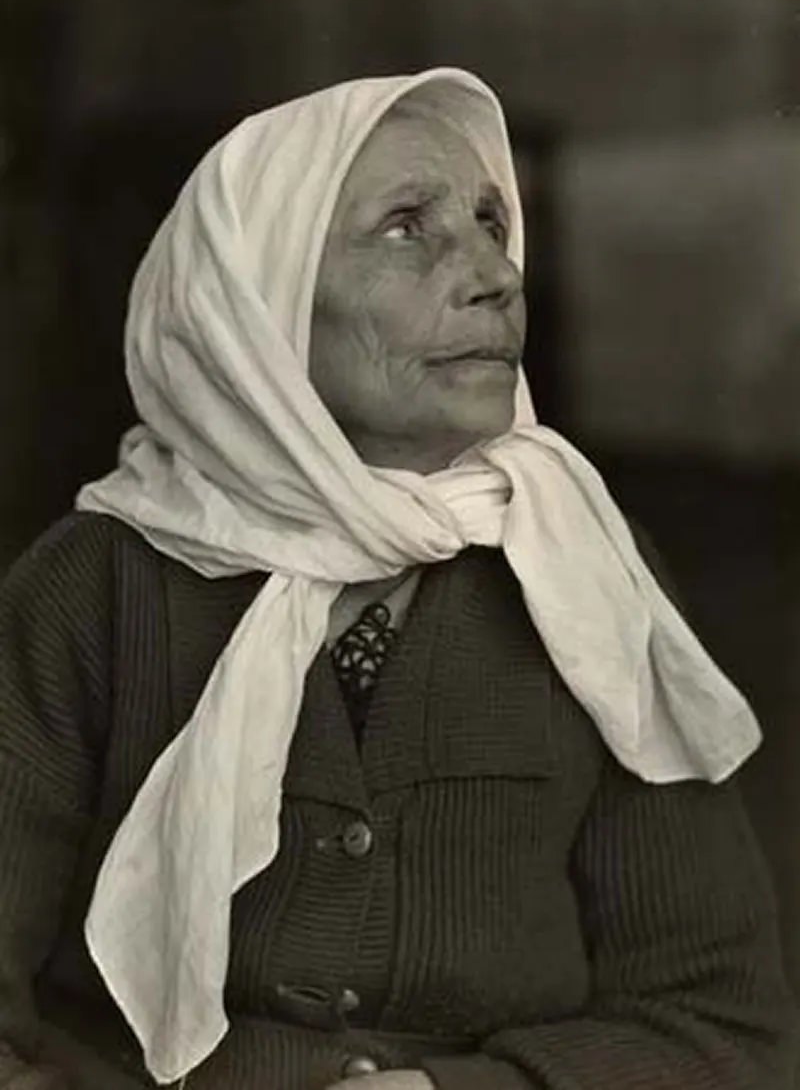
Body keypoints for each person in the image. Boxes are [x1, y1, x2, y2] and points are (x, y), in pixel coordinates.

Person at [0, 68, 796, 1090]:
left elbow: (720, 1023)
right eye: (407, 228)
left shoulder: (586, 566)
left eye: (491, 222)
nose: (494, 276)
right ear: (260, 300)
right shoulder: (92, 586)